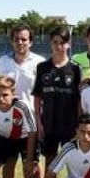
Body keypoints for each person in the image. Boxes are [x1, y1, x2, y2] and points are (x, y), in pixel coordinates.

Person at [0, 24, 46, 178]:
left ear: (30, 41)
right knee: (9, 161)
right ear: (11, 41)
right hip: (7, 121)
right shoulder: (2, 62)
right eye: (16, 39)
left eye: (24, 39)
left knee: (33, 163)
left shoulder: (40, 63)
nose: (20, 42)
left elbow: (43, 94)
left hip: (30, 122)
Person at [32, 26, 82, 167]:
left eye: (62, 42)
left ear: (69, 44)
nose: (59, 46)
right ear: (51, 43)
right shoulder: (42, 67)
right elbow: (37, 95)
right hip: (49, 123)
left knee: (73, 162)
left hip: (70, 124)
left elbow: (79, 100)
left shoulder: (75, 69)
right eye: (55, 42)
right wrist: (38, 121)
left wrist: (79, 123)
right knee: (50, 162)